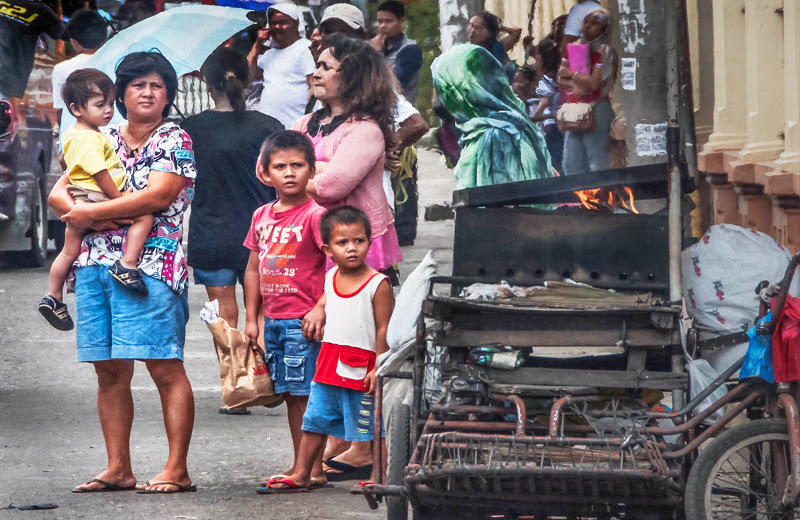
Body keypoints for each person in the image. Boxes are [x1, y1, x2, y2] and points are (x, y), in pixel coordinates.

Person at [48, 51, 197, 494]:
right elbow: (59, 192)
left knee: (164, 367)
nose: (147, 92)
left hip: (149, 266)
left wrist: (92, 213)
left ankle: (177, 469)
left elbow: (156, 197)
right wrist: (85, 214)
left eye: (156, 85)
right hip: (93, 265)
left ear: (168, 93)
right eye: (137, 85)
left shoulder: (174, 139)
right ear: (120, 95)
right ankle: (117, 468)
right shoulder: (98, 134)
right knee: (108, 371)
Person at [258, 205, 394, 493]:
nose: (352, 248)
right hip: (328, 366)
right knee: (315, 421)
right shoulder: (330, 278)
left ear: (370, 242)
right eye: (342, 243)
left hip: (363, 368)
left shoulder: (378, 284)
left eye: (359, 241)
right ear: (327, 249)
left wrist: (378, 367)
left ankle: (379, 478)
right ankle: (303, 473)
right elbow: (326, 301)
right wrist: (318, 309)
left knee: (371, 425)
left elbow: (384, 329)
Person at [182, 48, 282, 412]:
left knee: (226, 317)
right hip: (264, 235)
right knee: (267, 312)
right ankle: (270, 381)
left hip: (212, 235)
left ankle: (238, 390)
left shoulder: (189, 130)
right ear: (247, 78)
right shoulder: (269, 126)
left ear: (207, 83)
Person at [243, 130, 329, 493]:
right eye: (281, 166)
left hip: (303, 321)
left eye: (298, 165)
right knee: (290, 395)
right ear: (265, 173)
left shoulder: (317, 216)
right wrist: (252, 319)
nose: (290, 173)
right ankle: (307, 466)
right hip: (274, 320)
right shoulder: (262, 215)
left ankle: (308, 468)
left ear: (312, 170)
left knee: (304, 397)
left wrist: (321, 308)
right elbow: (252, 268)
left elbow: (336, 266)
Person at [39, 69, 154, 330]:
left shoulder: (72, 133)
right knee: (143, 216)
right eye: (100, 105)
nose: (108, 111)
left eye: (111, 104)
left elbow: (64, 162)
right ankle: (127, 264)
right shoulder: (91, 138)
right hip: (97, 195)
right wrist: (118, 197)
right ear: (76, 108)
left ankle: (53, 295)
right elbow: (99, 172)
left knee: (69, 250)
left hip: (79, 195)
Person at [292, 34, 402, 285]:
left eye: (326, 67)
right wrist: (320, 169)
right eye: (317, 65)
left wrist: (302, 173)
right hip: (313, 238)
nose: (316, 73)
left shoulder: (365, 130)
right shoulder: (303, 124)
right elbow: (270, 169)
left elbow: (330, 187)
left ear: (351, 76)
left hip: (355, 246)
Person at [432, 44, 553, 189]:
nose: (440, 98)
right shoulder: (505, 124)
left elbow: (493, 201)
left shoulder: (494, 136)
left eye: (444, 89)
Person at [558, 9, 617, 175]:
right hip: (575, 110)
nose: (587, 27)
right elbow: (559, 78)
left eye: (595, 23)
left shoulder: (605, 51)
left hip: (597, 107)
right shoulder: (575, 47)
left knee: (596, 158)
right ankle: (580, 199)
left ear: (605, 29)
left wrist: (571, 74)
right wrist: (576, 83)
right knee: (571, 162)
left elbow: (593, 84)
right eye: (586, 22)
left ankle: (601, 198)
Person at [248, 2, 316, 128]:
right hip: (267, 129)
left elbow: (314, 86)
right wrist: (257, 45)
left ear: (296, 24)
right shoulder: (269, 54)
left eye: (283, 22)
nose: (277, 27)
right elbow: (247, 77)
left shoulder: (304, 48)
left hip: (295, 127)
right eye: (273, 23)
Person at [52, 10, 108, 143]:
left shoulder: (62, 69)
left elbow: (59, 110)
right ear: (105, 38)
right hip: (108, 137)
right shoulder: (113, 61)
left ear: (74, 41)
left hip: (74, 138)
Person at [0, 0, 65, 99]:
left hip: (11, 80)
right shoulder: (39, 10)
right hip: (10, 80)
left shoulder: (40, 10)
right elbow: (63, 34)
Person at [369, 0, 422, 104]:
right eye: (380, 21)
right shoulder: (374, 45)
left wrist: (376, 54)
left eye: (389, 21)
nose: (383, 26)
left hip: (398, 111)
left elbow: (392, 85)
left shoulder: (410, 50)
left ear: (401, 21)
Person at [531, 38, 564, 175]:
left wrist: (533, 118)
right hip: (562, 126)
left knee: (553, 162)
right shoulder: (558, 76)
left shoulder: (544, 81)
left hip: (551, 128)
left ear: (540, 59)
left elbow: (544, 103)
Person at [466, 11, 521, 79]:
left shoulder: (497, 48)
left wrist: (500, 27)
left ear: (489, 34)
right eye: (471, 25)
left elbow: (516, 32)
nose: (472, 31)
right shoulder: (465, 50)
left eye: (478, 28)